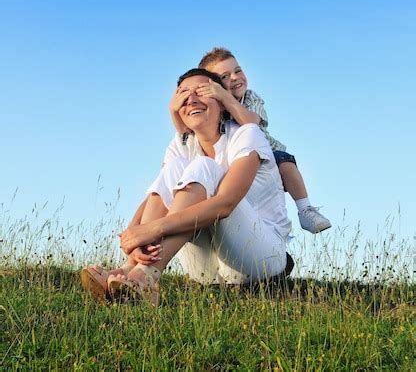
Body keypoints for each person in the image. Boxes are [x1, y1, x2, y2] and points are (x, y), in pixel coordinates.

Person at [81, 68, 292, 304]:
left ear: (222, 102)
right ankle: (131, 270)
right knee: (175, 168)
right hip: (208, 270)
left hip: (262, 259)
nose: (191, 99)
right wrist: (133, 240)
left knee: (205, 167)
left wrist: (153, 230)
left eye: (201, 91)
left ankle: (147, 274)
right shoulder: (182, 144)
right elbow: (159, 193)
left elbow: (226, 204)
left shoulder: (246, 135)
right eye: (183, 94)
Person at [170, 49, 331, 234]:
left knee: (286, 162)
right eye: (225, 76)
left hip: (267, 154)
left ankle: (305, 209)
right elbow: (185, 132)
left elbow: (250, 123)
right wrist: (173, 110)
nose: (235, 78)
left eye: (238, 71)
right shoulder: (211, 107)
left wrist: (225, 97)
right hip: (235, 159)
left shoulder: (251, 98)